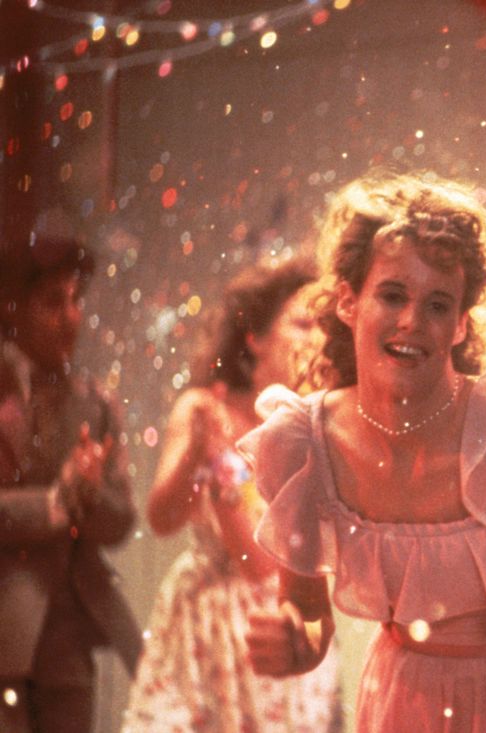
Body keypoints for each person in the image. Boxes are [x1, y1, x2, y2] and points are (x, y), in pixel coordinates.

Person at [239, 173, 486, 732]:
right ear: (348, 299)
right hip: (404, 705)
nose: (413, 320)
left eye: (438, 304)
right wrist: (296, 643)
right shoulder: (303, 446)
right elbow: (309, 614)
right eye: (392, 295)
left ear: (461, 325)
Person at [121, 258, 342, 732]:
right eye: (301, 324)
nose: (314, 339)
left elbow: (260, 561)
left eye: (321, 327)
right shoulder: (204, 406)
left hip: (280, 618)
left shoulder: (315, 425)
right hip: (204, 617)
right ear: (255, 338)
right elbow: (161, 518)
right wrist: (195, 455)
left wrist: (223, 471)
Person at [0, 224, 142, 733]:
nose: (71, 317)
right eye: (53, 302)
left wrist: (88, 493)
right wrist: (53, 506)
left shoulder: (95, 401)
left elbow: (122, 519)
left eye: (77, 300)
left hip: (69, 634)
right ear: (15, 308)